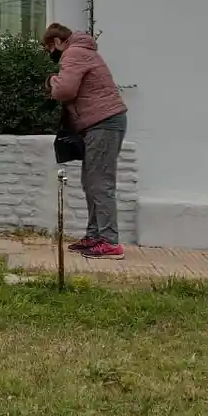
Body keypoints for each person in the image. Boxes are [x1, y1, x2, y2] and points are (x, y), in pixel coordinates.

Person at [45, 23, 127, 259]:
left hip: (104, 123)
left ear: (58, 42)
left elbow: (65, 91)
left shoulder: (74, 53)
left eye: (51, 49)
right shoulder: (82, 51)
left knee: (100, 182)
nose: (53, 55)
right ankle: (95, 236)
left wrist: (53, 81)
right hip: (101, 124)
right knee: (91, 181)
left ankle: (110, 242)